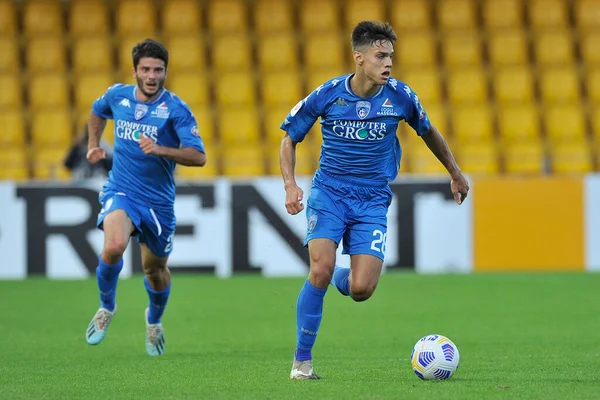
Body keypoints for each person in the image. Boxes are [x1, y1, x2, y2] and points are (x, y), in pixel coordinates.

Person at [279, 21, 469, 379]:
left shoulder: (400, 96)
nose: (388, 64)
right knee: (317, 270)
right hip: (330, 192)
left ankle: (334, 274)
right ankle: (302, 363)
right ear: (359, 57)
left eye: (391, 57)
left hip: (372, 200)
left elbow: (428, 132)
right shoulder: (328, 94)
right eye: (381, 56)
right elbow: (289, 138)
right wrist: (290, 185)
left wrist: (455, 173)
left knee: (361, 289)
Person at [84, 39, 207, 356]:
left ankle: (153, 320)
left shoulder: (175, 109)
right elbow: (97, 111)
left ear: (165, 71)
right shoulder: (118, 96)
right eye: (146, 69)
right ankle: (106, 307)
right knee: (113, 247)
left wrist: (161, 149)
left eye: (158, 70)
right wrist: (93, 143)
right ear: (135, 71)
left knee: (154, 270)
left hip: (158, 203)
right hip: (121, 189)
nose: (152, 76)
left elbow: (198, 157)